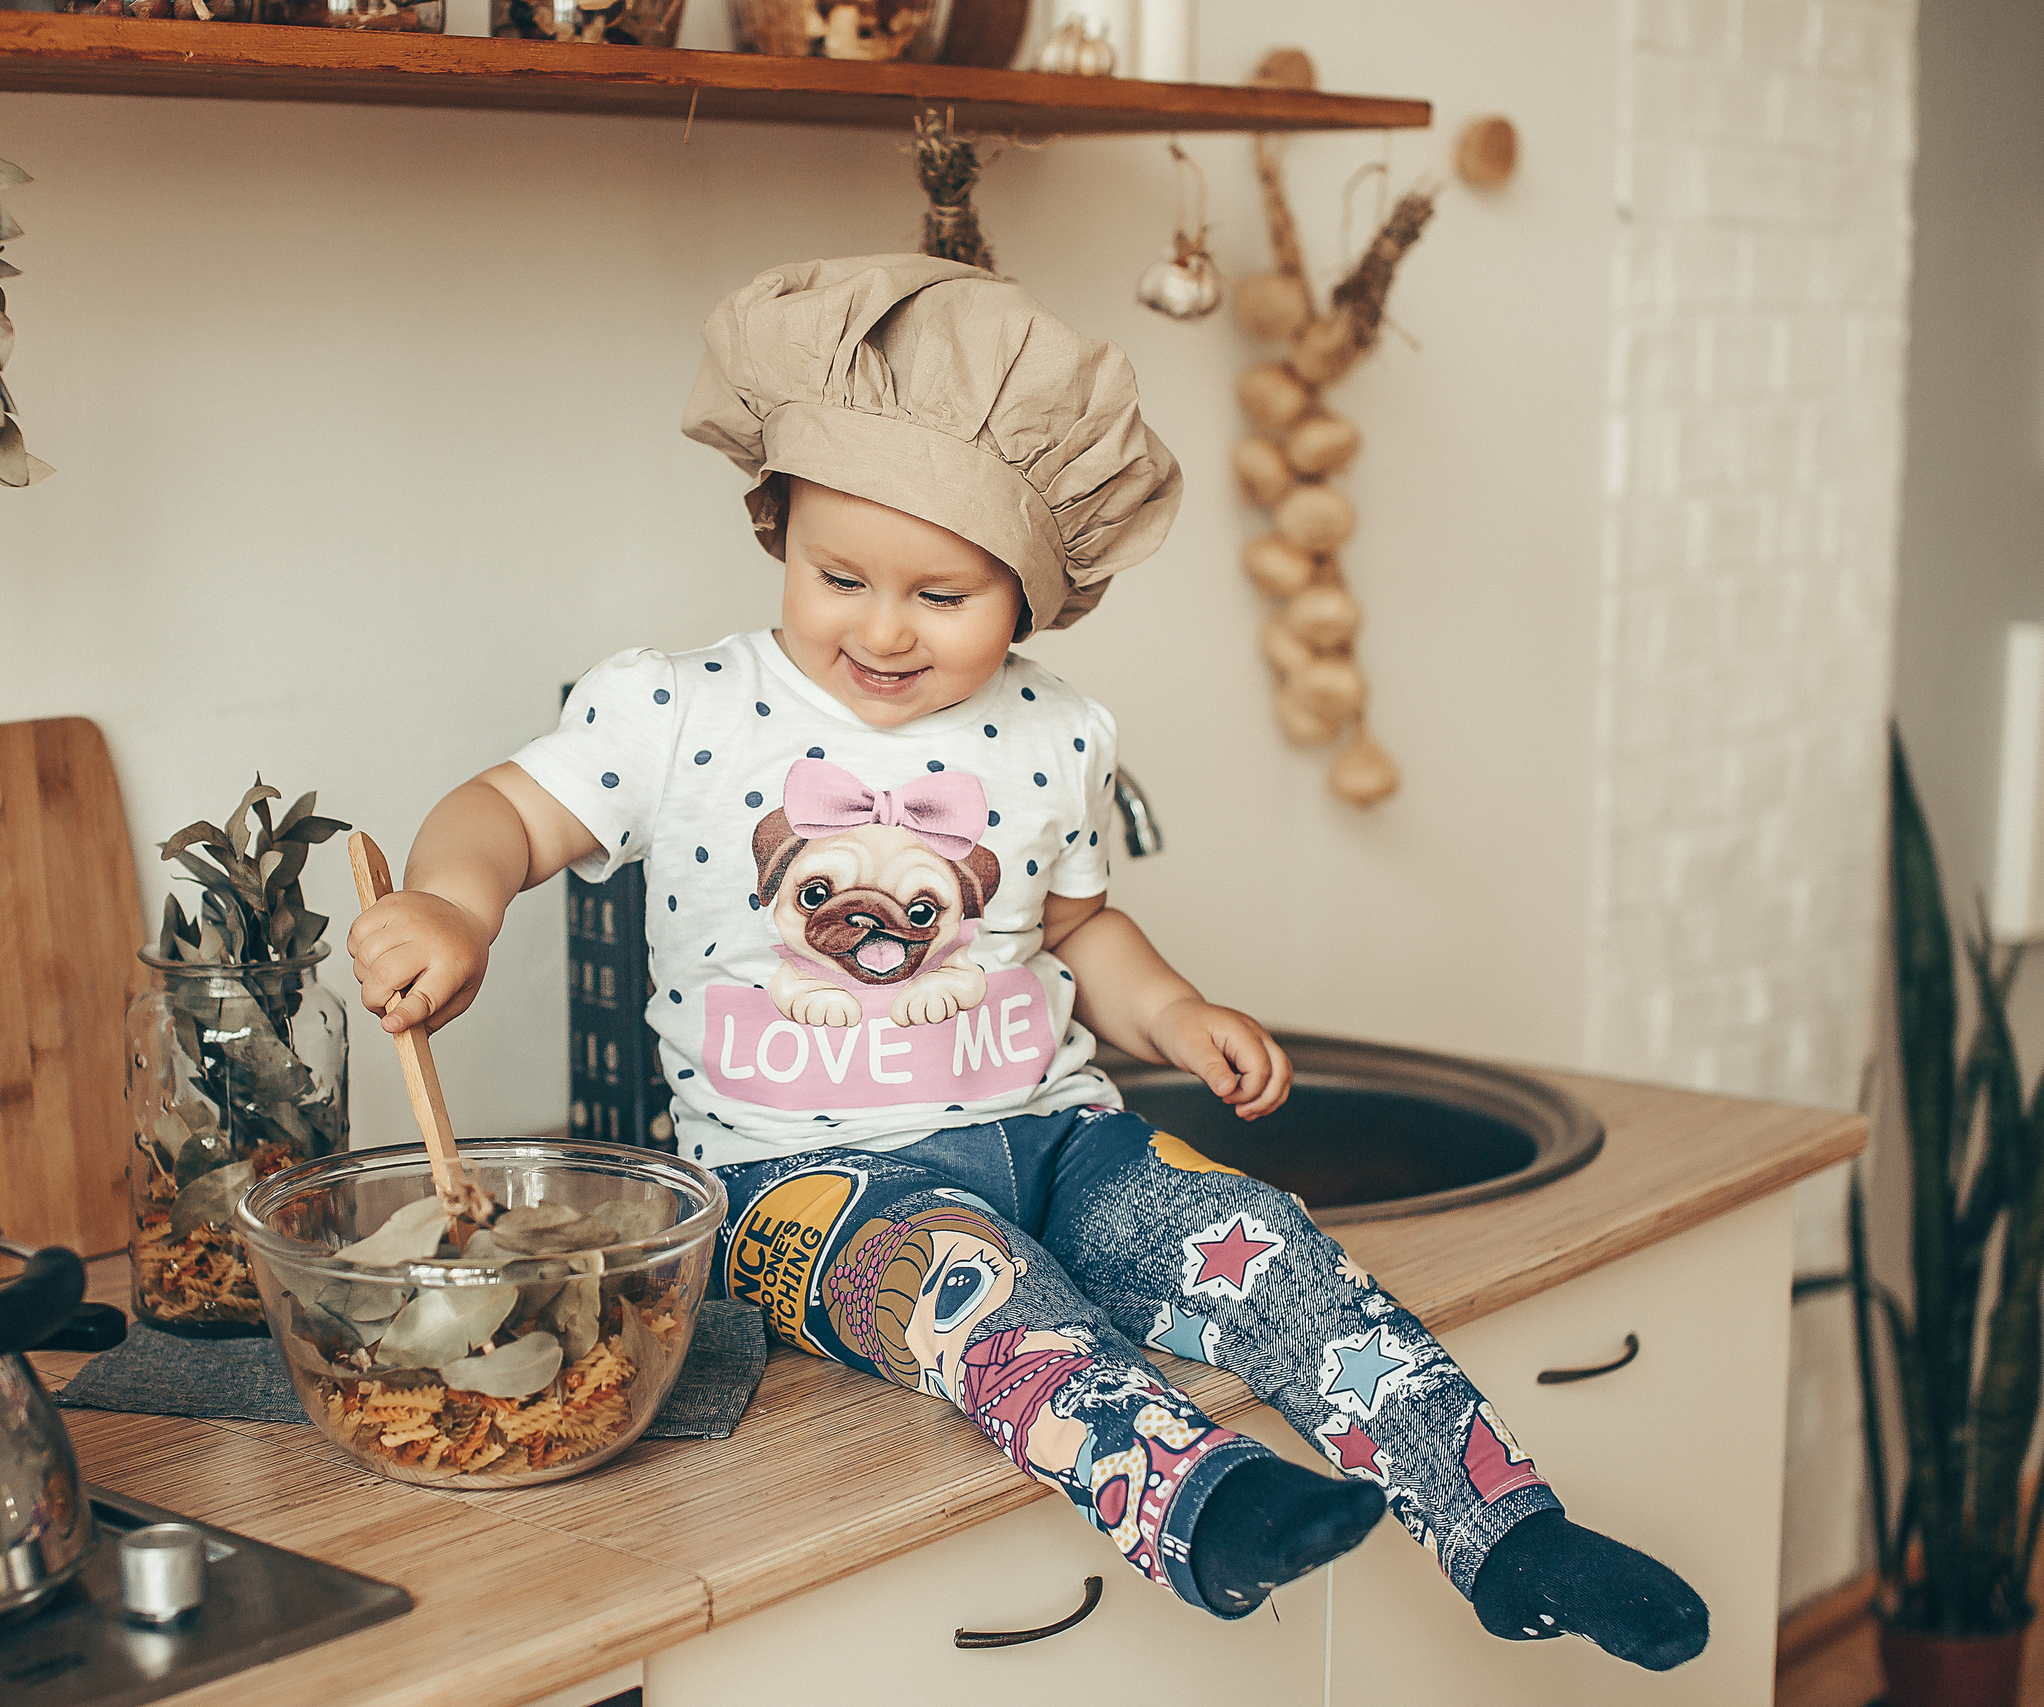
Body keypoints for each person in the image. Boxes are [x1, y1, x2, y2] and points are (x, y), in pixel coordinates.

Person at [347, 255, 1708, 1668]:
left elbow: (1075, 928)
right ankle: (1206, 1510)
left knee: (1266, 1247)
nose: (883, 627)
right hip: (800, 1186)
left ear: (1033, 591)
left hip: (1062, 1139)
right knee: (978, 1291)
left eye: (942, 595)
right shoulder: (679, 710)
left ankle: (1507, 1532)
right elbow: (506, 815)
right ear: (780, 529)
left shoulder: (1057, 733)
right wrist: (453, 905)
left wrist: (1172, 1012)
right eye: (840, 577)